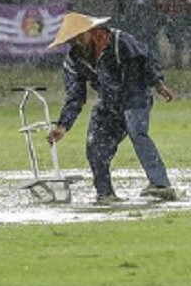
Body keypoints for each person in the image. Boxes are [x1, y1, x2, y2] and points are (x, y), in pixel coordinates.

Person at [46, 12, 178, 204]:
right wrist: (63, 126)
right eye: (71, 40)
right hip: (108, 103)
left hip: (135, 96)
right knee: (94, 144)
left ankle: (160, 184)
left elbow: (146, 58)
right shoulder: (72, 61)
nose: (76, 43)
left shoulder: (119, 41)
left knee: (137, 132)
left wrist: (157, 83)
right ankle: (105, 193)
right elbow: (75, 96)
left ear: (91, 31)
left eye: (79, 36)